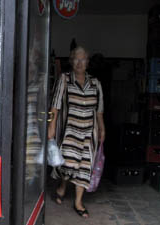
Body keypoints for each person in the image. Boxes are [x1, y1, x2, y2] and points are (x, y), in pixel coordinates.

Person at [48, 46, 105, 218]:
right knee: (68, 165)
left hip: (89, 133)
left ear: (88, 62)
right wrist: (51, 126)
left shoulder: (95, 83)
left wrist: (102, 128)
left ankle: (78, 202)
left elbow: (99, 110)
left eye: (83, 60)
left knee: (84, 167)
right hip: (69, 131)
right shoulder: (64, 79)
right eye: (76, 59)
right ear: (71, 61)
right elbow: (55, 106)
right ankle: (63, 186)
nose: (80, 63)